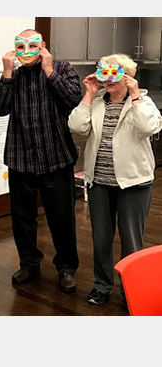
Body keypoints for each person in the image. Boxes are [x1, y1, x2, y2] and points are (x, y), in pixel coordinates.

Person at [0, 29, 82, 292]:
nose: (27, 50)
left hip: (56, 157)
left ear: (42, 46)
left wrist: (50, 70)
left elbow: (73, 99)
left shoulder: (62, 68)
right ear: (15, 49)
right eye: (21, 46)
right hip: (21, 158)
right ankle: (29, 263)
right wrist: (6, 74)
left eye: (33, 45)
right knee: (22, 217)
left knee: (62, 217)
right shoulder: (15, 76)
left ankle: (66, 268)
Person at [68, 54, 162, 306]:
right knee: (101, 237)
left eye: (113, 73)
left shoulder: (143, 102)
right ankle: (102, 284)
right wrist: (88, 94)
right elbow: (77, 128)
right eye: (103, 72)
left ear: (127, 75)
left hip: (134, 183)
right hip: (99, 182)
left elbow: (147, 128)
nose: (107, 78)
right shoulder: (97, 102)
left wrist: (135, 95)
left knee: (132, 239)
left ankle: (131, 287)